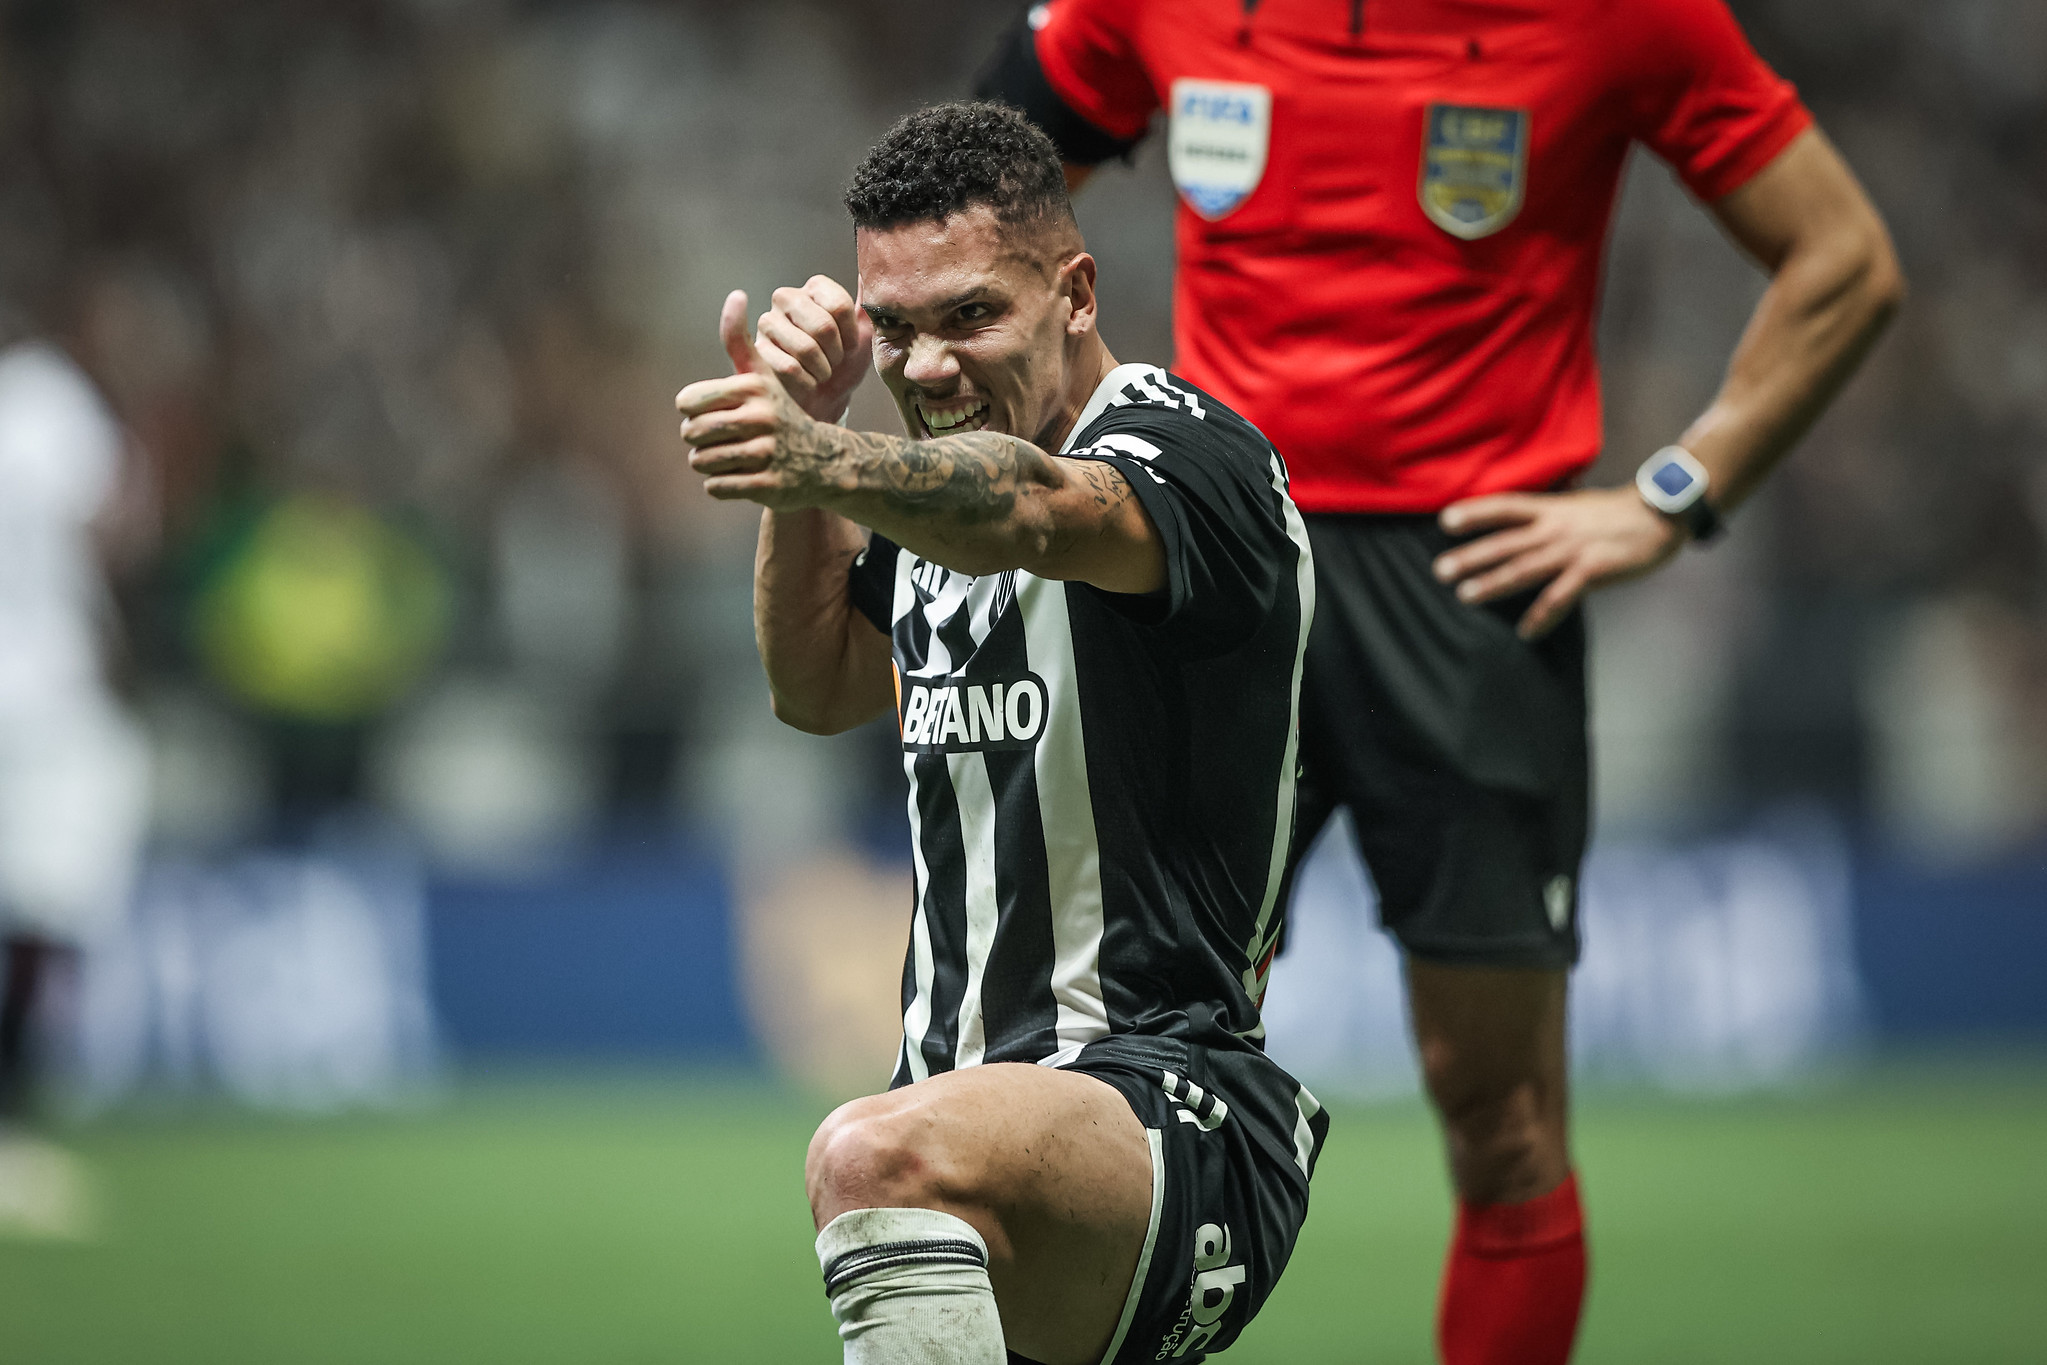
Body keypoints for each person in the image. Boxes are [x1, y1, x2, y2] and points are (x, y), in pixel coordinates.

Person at [975, 3, 1905, 1361]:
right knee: (1083, 1073)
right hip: (1222, 561)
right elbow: (982, 187)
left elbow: (1842, 260)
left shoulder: (1623, 17)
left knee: (1500, 1110)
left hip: (1469, 588)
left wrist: (1669, 495)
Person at [675, 102, 1327, 1365]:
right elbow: (815, 686)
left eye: (972, 316)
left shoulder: (1189, 463)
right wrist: (802, 448)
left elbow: (1028, 512)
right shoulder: (929, 503)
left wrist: (824, 454)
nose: (925, 368)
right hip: (980, 1118)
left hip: (1166, 1115)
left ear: (1075, 292)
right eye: (896, 331)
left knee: (875, 1156)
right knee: (900, 1153)